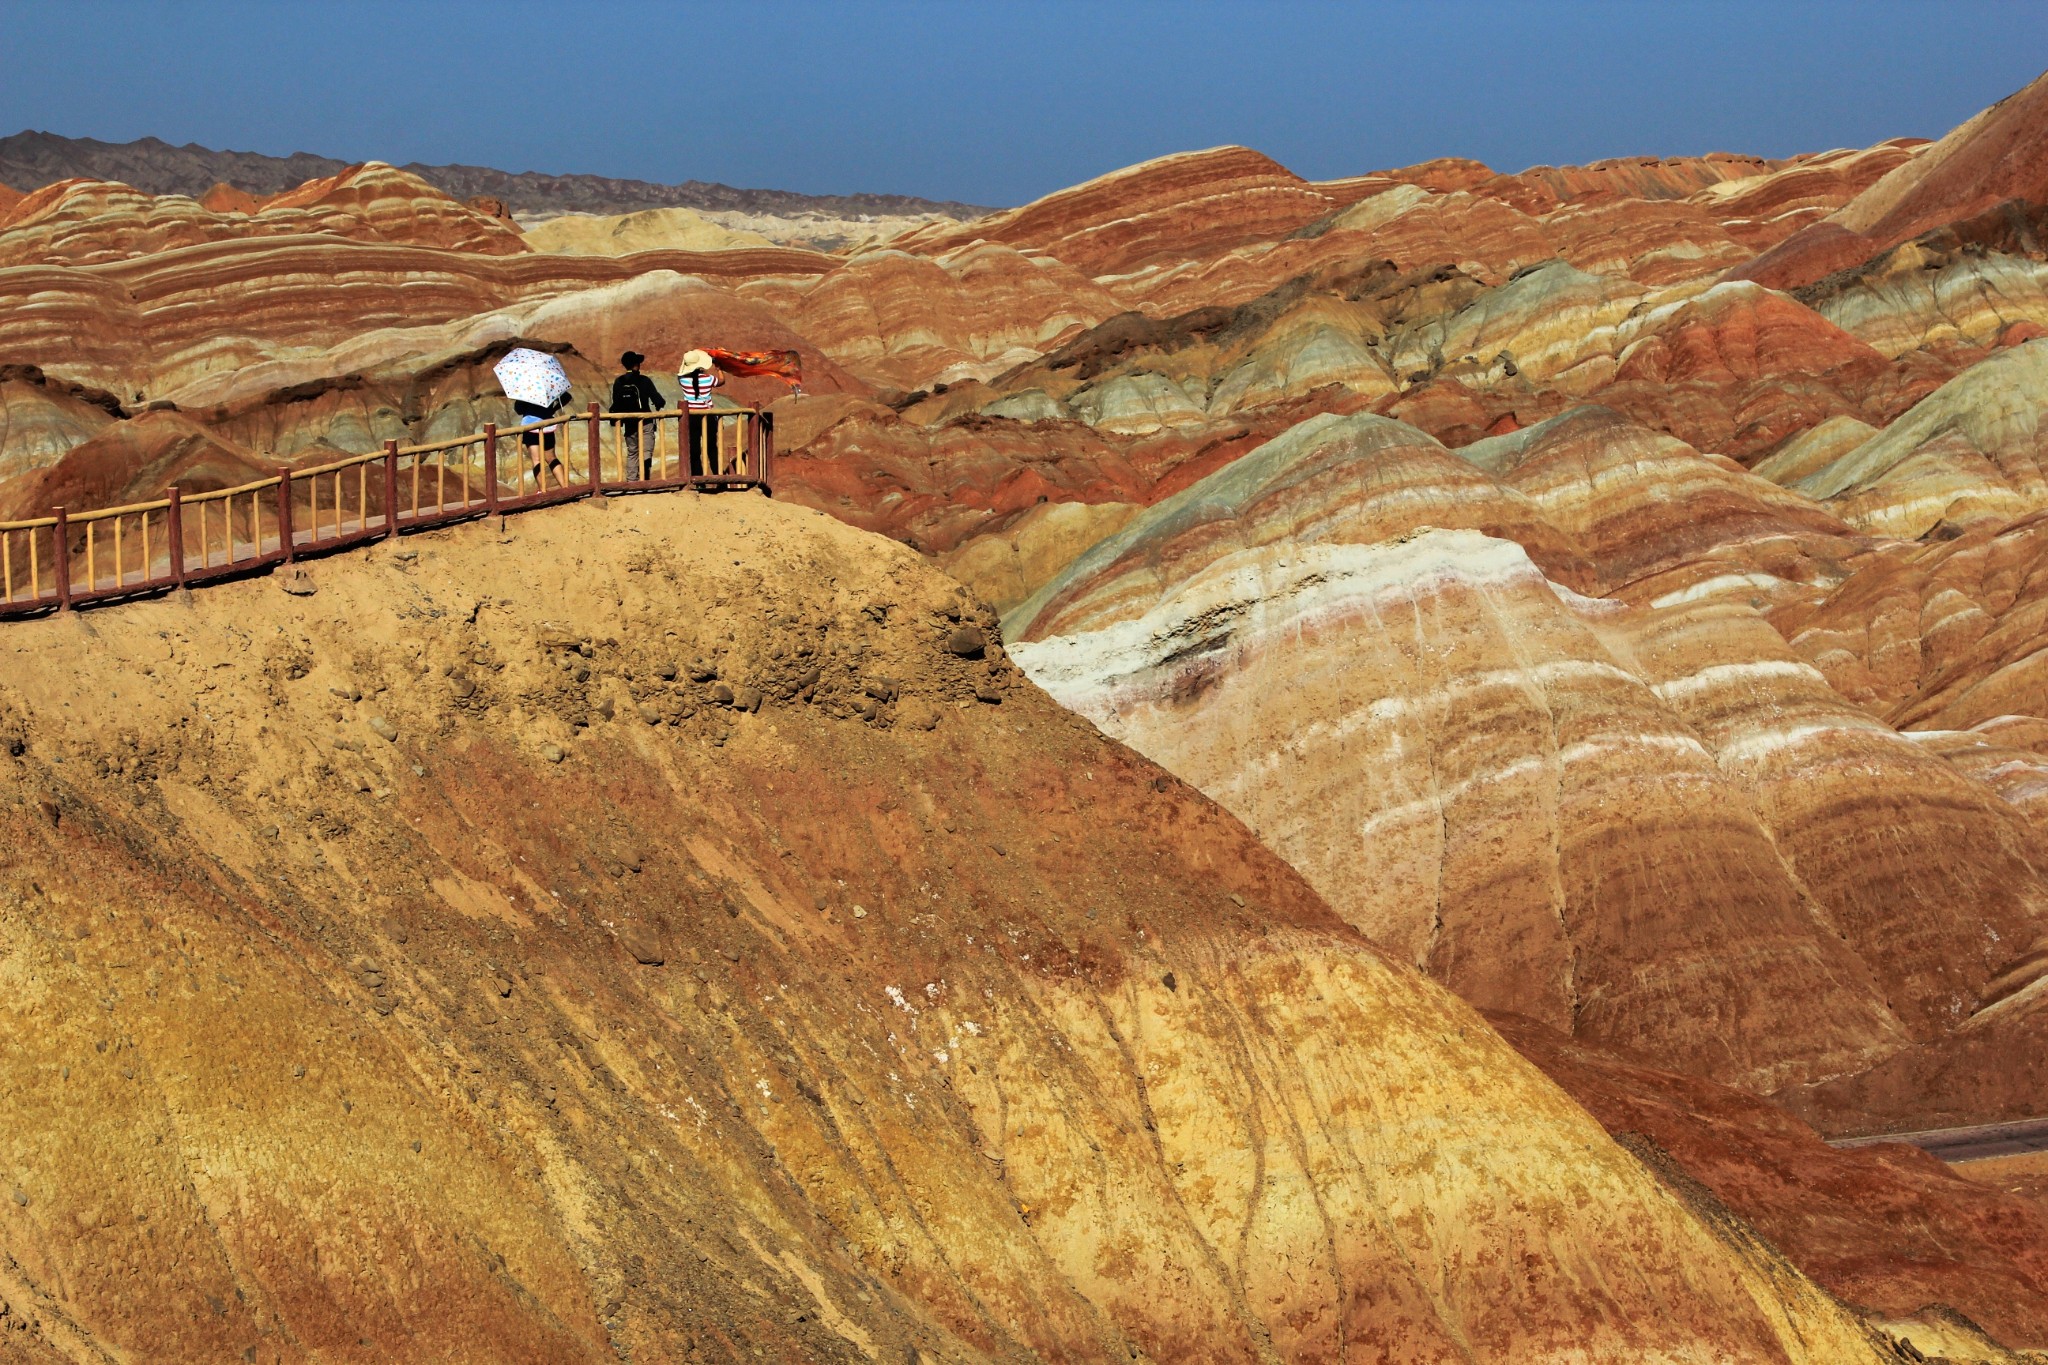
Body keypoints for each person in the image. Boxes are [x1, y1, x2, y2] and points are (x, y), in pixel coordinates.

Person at [610, 351, 667, 479]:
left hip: (629, 422)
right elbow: (658, 400)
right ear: (637, 364)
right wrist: (659, 404)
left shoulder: (619, 382)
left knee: (632, 453)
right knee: (646, 452)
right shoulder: (644, 380)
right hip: (645, 421)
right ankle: (644, 479)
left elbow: (616, 402)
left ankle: (632, 481)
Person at [677, 348, 724, 477]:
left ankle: (698, 478)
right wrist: (719, 369)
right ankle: (718, 475)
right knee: (711, 448)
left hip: (691, 417)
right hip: (707, 416)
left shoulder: (682, 380)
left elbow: (681, 374)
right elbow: (721, 381)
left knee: (694, 449)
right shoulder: (708, 379)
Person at [515, 390, 570, 489]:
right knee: (552, 458)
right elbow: (567, 397)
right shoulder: (549, 386)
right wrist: (553, 409)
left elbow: (518, 410)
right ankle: (565, 486)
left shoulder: (526, 389)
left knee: (536, 460)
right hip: (547, 425)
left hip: (530, 426)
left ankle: (543, 490)